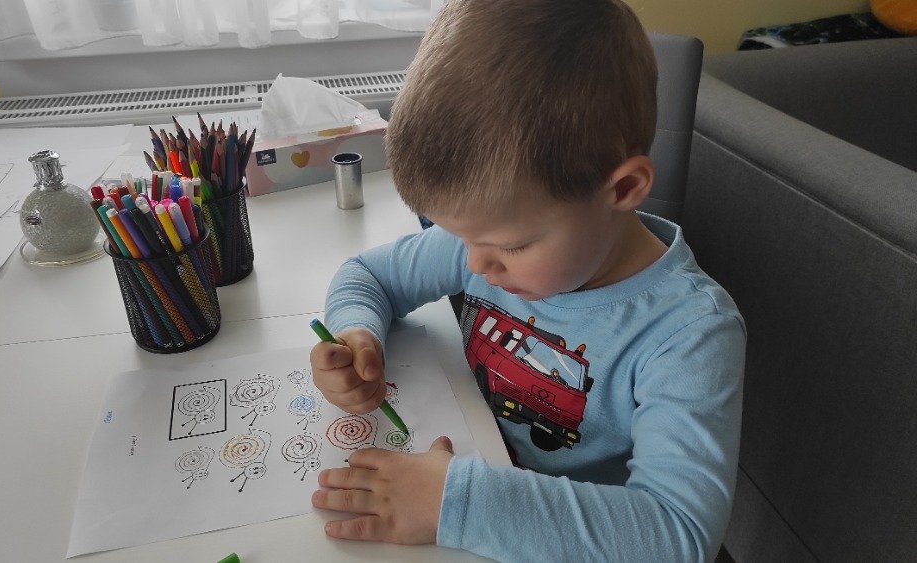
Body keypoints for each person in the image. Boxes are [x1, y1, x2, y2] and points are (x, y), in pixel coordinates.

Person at [308, 0, 746, 560]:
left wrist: (455, 501)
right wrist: (358, 335)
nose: (473, 265)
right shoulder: (488, 233)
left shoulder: (690, 334)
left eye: (511, 246)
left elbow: (679, 535)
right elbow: (367, 275)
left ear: (622, 189)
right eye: (460, 237)